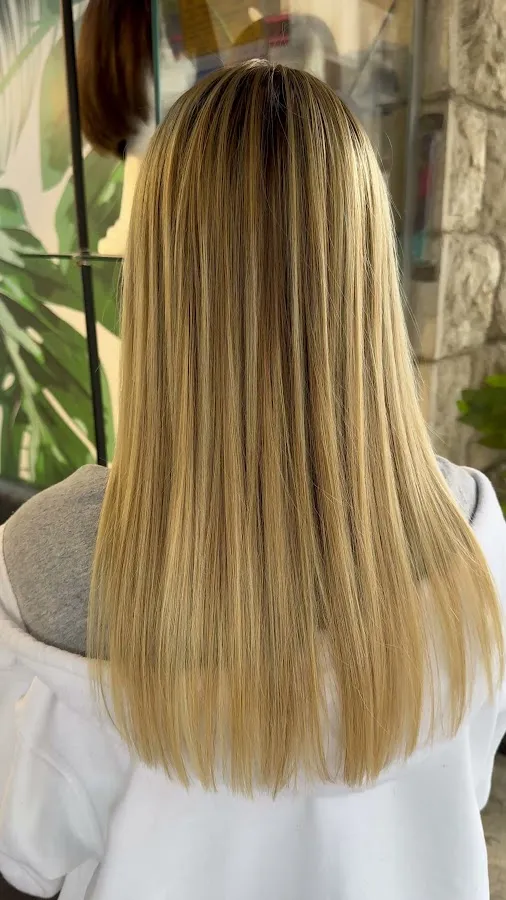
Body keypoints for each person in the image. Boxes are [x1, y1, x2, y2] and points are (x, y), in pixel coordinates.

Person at [0, 62, 505, 900]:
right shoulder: (469, 525)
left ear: (161, 278)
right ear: (365, 272)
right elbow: (467, 782)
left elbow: (29, 851)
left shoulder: (52, 560)